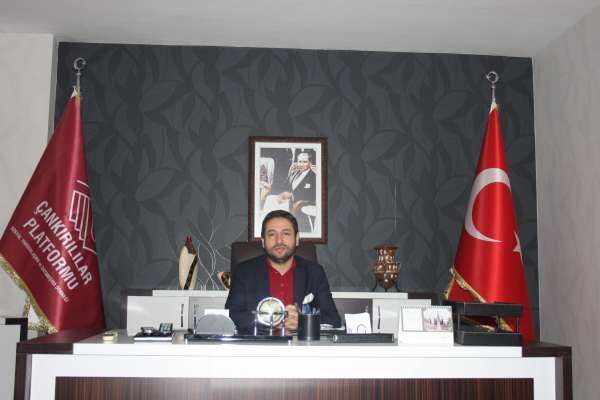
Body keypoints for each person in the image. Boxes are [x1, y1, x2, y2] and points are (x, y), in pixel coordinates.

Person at [225, 210, 341, 333]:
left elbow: (333, 319)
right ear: (263, 241)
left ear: (296, 239)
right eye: (272, 234)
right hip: (259, 343)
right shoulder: (244, 272)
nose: (279, 241)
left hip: (301, 344)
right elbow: (232, 315)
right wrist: (274, 321)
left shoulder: (314, 272)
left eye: (286, 234)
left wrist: (303, 321)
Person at [278, 152, 316, 232]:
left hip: (302, 202)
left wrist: (291, 195)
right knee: (272, 200)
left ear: (310, 162)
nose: (301, 164)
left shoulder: (313, 176)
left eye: (304, 162)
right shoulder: (295, 173)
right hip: (289, 200)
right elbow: (287, 186)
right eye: (299, 161)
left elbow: (311, 194)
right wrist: (284, 193)